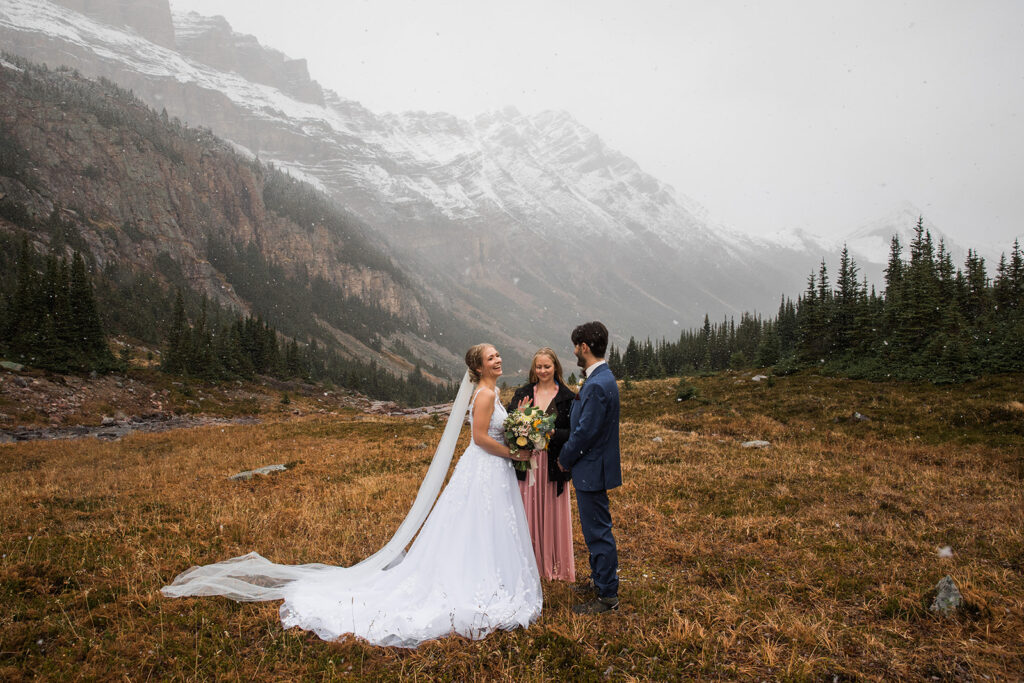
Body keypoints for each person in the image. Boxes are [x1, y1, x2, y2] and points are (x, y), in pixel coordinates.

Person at [162, 344, 542, 647]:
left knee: (483, 527)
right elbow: (478, 439)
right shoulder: (484, 395)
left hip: (492, 472)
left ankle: (489, 577)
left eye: (497, 355)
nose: (499, 359)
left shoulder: (492, 391)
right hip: (484, 469)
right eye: (492, 357)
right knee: (474, 525)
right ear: (478, 367)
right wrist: (514, 451)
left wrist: (518, 436)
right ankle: (476, 582)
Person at [558, 321, 622, 614]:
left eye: (576, 346)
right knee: (595, 529)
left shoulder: (597, 385)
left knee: (597, 532)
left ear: (584, 347)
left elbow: (585, 433)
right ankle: (599, 580)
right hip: (594, 467)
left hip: (591, 469)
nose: (574, 352)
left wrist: (564, 458)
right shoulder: (601, 378)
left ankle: (607, 595)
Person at [506, 348, 576, 581]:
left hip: (554, 463)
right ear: (533, 369)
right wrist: (520, 422)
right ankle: (529, 564)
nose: (543, 371)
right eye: (539, 367)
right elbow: (509, 425)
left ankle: (554, 565)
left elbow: (574, 433)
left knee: (553, 513)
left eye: (547, 366)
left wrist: (554, 433)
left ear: (556, 367)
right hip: (530, 463)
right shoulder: (523, 393)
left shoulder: (567, 397)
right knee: (527, 513)